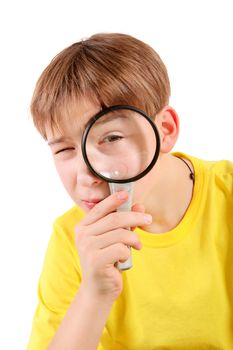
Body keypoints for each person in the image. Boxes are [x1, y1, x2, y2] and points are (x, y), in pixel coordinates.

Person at [27, 33, 233, 350]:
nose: (86, 175)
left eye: (110, 138)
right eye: (64, 150)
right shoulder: (73, 239)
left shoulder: (227, 197)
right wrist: (94, 293)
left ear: (164, 131)